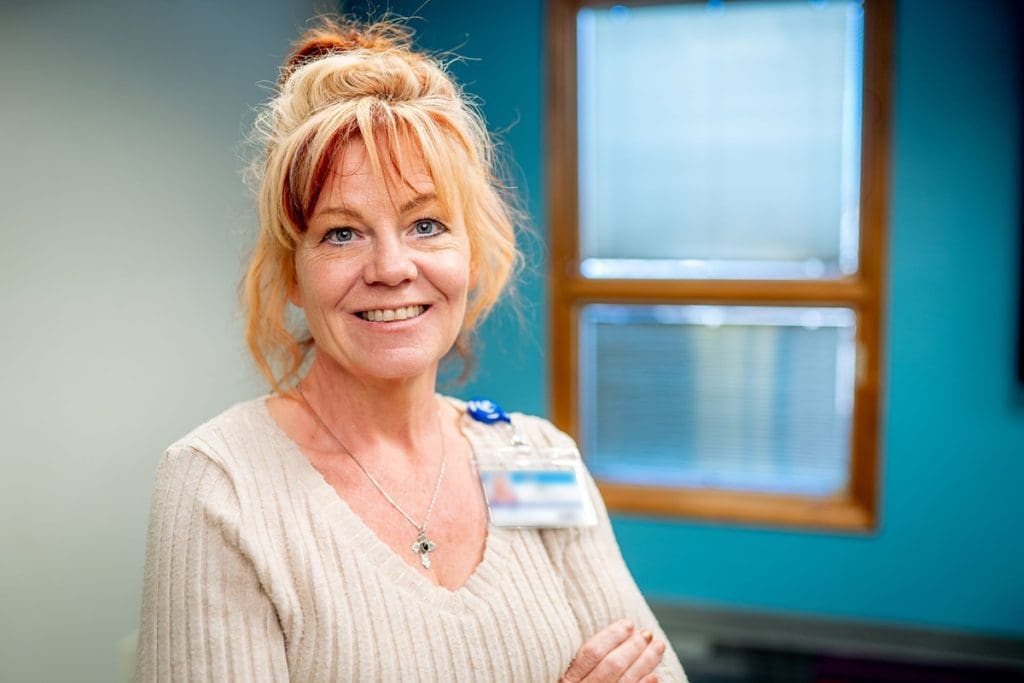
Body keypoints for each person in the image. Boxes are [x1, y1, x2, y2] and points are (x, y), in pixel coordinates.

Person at [134, 16, 687, 683]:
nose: (392, 266)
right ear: (291, 275)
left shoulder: (532, 461)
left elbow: (652, 670)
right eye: (341, 234)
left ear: (472, 253)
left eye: (426, 224)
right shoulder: (222, 488)